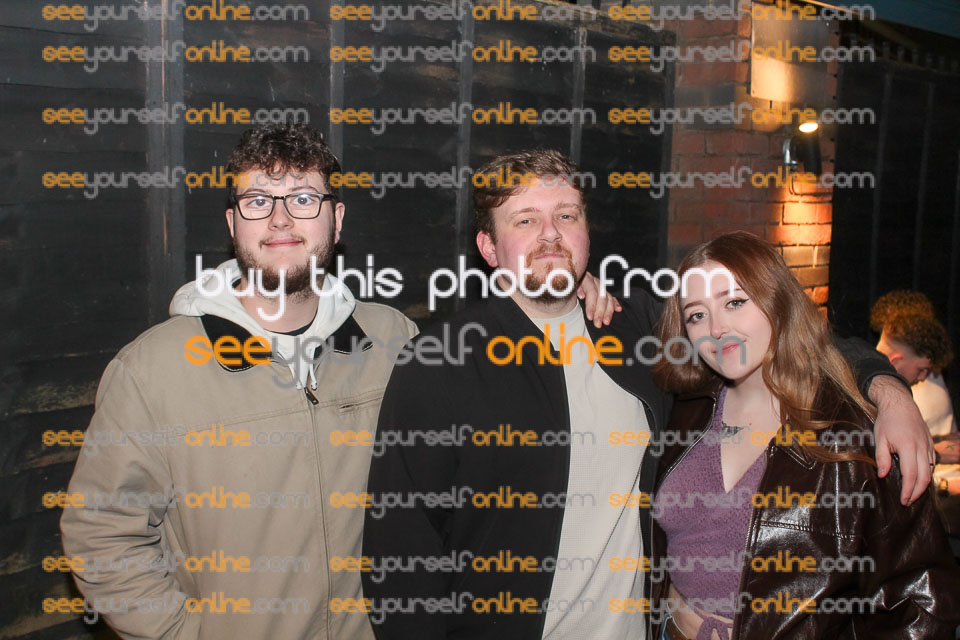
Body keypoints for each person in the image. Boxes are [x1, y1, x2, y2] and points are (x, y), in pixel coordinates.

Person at [361, 150, 936, 639]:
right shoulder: (439, 364)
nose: (551, 235)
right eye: (526, 220)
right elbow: (398, 556)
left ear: (586, 232)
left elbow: (783, 334)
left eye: (566, 215)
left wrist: (888, 391)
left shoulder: (636, 332)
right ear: (489, 248)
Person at [59, 124, 418, 640]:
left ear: (336, 219)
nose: (280, 218)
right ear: (233, 223)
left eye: (303, 198)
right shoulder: (152, 370)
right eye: (257, 201)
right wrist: (183, 633)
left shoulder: (394, 340)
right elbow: (101, 532)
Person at [649, 232, 960, 639]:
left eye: (735, 302)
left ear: (777, 301)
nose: (716, 328)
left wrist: (891, 392)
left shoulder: (853, 433)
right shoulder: (685, 407)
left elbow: (919, 599)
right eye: (696, 315)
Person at [870, 290, 958, 463]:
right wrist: (938, 455)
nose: (924, 377)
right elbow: (877, 460)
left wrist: (940, 440)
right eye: (921, 370)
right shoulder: (872, 394)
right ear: (895, 360)